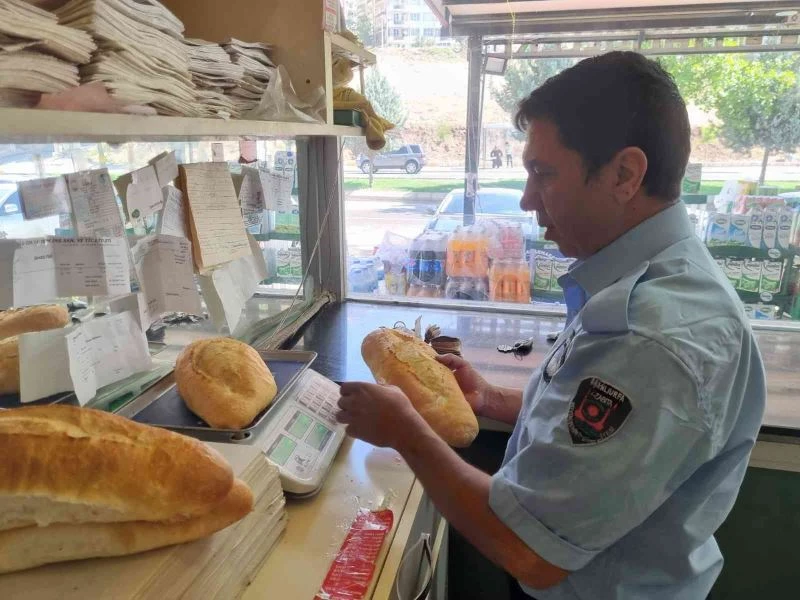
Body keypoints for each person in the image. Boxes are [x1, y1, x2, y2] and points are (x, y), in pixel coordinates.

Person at [336, 51, 765, 600]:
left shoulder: (652, 337)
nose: (527, 200)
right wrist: (493, 399)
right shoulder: (643, 278)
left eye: (543, 174)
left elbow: (531, 553)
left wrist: (403, 430)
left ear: (624, 174)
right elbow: (594, 433)